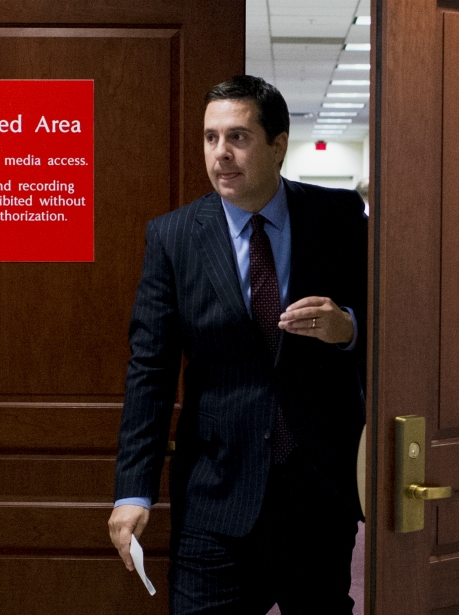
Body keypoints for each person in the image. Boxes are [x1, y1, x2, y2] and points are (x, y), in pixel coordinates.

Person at [108, 75, 367, 615]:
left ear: (278, 144)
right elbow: (150, 371)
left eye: (239, 138)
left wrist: (348, 329)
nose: (220, 155)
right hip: (215, 495)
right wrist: (133, 490)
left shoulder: (339, 218)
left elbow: (398, 330)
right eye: (210, 138)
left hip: (317, 489)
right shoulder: (174, 236)